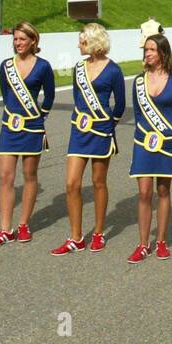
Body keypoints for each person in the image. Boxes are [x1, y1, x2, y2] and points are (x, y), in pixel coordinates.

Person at [53, 23, 125, 256]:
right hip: (79, 131)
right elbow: (78, 98)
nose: (78, 44)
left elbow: (120, 104)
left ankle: (99, 232)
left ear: (93, 42)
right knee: (72, 183)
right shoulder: (78, 68)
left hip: (101, 131)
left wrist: (107, 124)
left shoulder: (113, 70)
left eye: (82, 41)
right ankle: (76, 237)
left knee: (98, 182)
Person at [0, 22, 56, 246]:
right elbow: (7, 95)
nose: (18, 43)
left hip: (32, 127)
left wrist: (38, 116)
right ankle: (5, 229)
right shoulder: (6, 65)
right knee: (6, 177)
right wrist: (14, 114)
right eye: (15, 39)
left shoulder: (43, 66)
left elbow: (50, 96)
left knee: (29, 176)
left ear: (33, 41)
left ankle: (24, 224)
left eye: (22, 39)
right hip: (10, 127)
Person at [126, 34, 172, 263]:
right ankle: (143, 244)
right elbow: (138, 114)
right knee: (144, 193)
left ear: (163, 52)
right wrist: (142, 137)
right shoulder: (138, 81)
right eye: (146, 50)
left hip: (167, 143)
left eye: (152, 49)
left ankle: (161, 240)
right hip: (143, 144)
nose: (148, 53)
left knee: (163, 191)